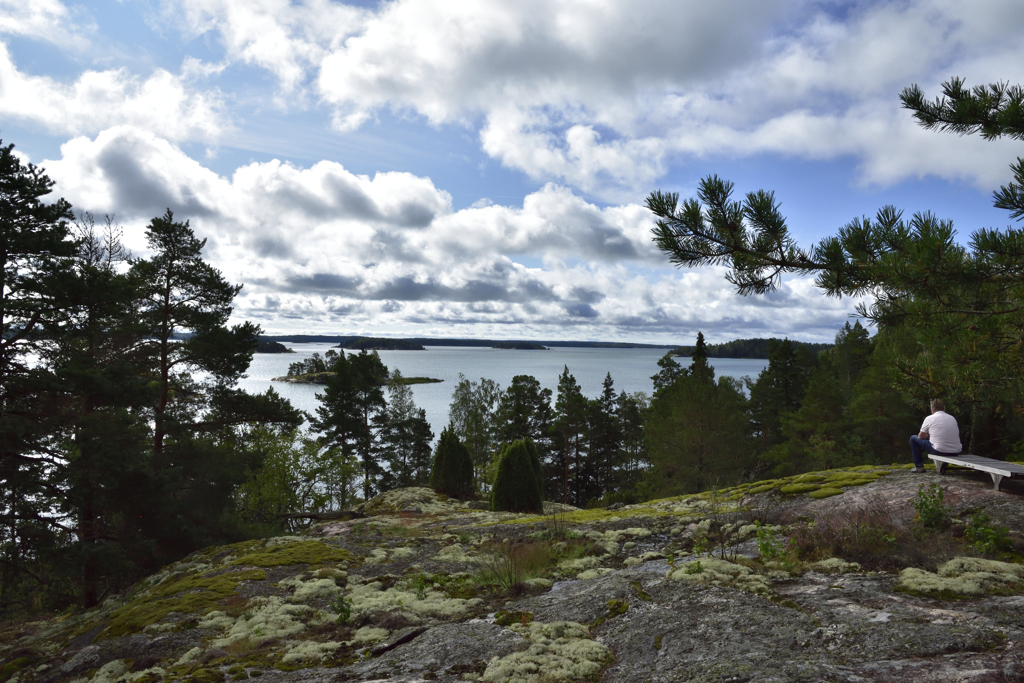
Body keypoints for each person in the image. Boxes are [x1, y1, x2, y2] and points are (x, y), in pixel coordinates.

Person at [909, 398, 962, 473]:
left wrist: (928, 435)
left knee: (913, 438)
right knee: (942, 442)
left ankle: (919, 466)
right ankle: (943, 466)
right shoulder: (952, 418)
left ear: (932, 409)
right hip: (956, 451)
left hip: (939, 450)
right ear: (944, 408)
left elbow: (920, 436)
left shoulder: (930, 418)